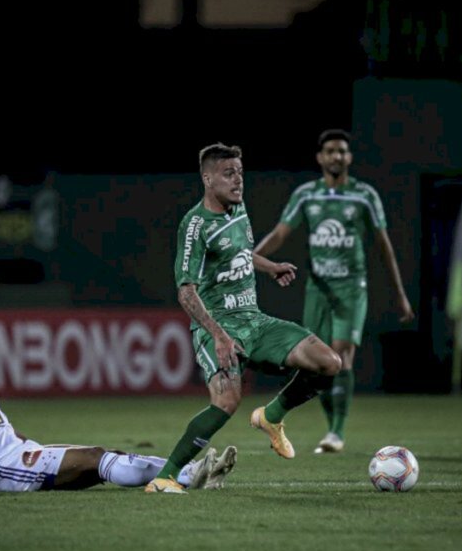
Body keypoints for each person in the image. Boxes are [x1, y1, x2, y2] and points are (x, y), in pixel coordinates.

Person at [146, 142, 342, 494]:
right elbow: (186, 292)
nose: (238, 181)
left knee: (328, 363)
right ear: (207, 179)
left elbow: (238, 252)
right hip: (217, 326)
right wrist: (219, 336)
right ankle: (166, 476)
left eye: (240, 173)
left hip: (254, 321)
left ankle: (271, 416)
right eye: (228, 174)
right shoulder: (194, 226)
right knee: (226, 401)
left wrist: (268, 267)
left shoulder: (238, 208)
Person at [0, 327, 238, 492]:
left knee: (102, 459)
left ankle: (190, 475)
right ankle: (188, 472)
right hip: (0, 472)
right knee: (96, 458)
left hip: (20, 455)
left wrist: (32, 447)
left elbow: (5, 431)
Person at [254, 129, 414, 454]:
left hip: (352, 288)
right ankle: (327, 427)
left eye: (342, 151)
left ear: (349, 157)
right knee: (318, 362)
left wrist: (399, 293)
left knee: (343, 353)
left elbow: (384, 247)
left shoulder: (364, 195)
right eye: (330, 151)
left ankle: (336, 433)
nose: (336, 156)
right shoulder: (306, 196)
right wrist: (251, 259)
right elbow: (280, 233)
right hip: (318, 289)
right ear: (320, 157)